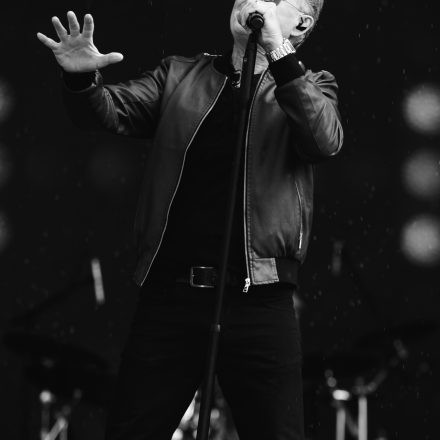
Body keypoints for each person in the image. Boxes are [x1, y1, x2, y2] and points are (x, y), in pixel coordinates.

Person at [37, 0, 343, 438]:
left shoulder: (311, 86)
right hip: (172, 297)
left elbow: (323, 140)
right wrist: (81, 78)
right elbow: (107, 111)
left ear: (301, 23)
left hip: (259, 301)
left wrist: (278, 53)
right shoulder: (179, 75)